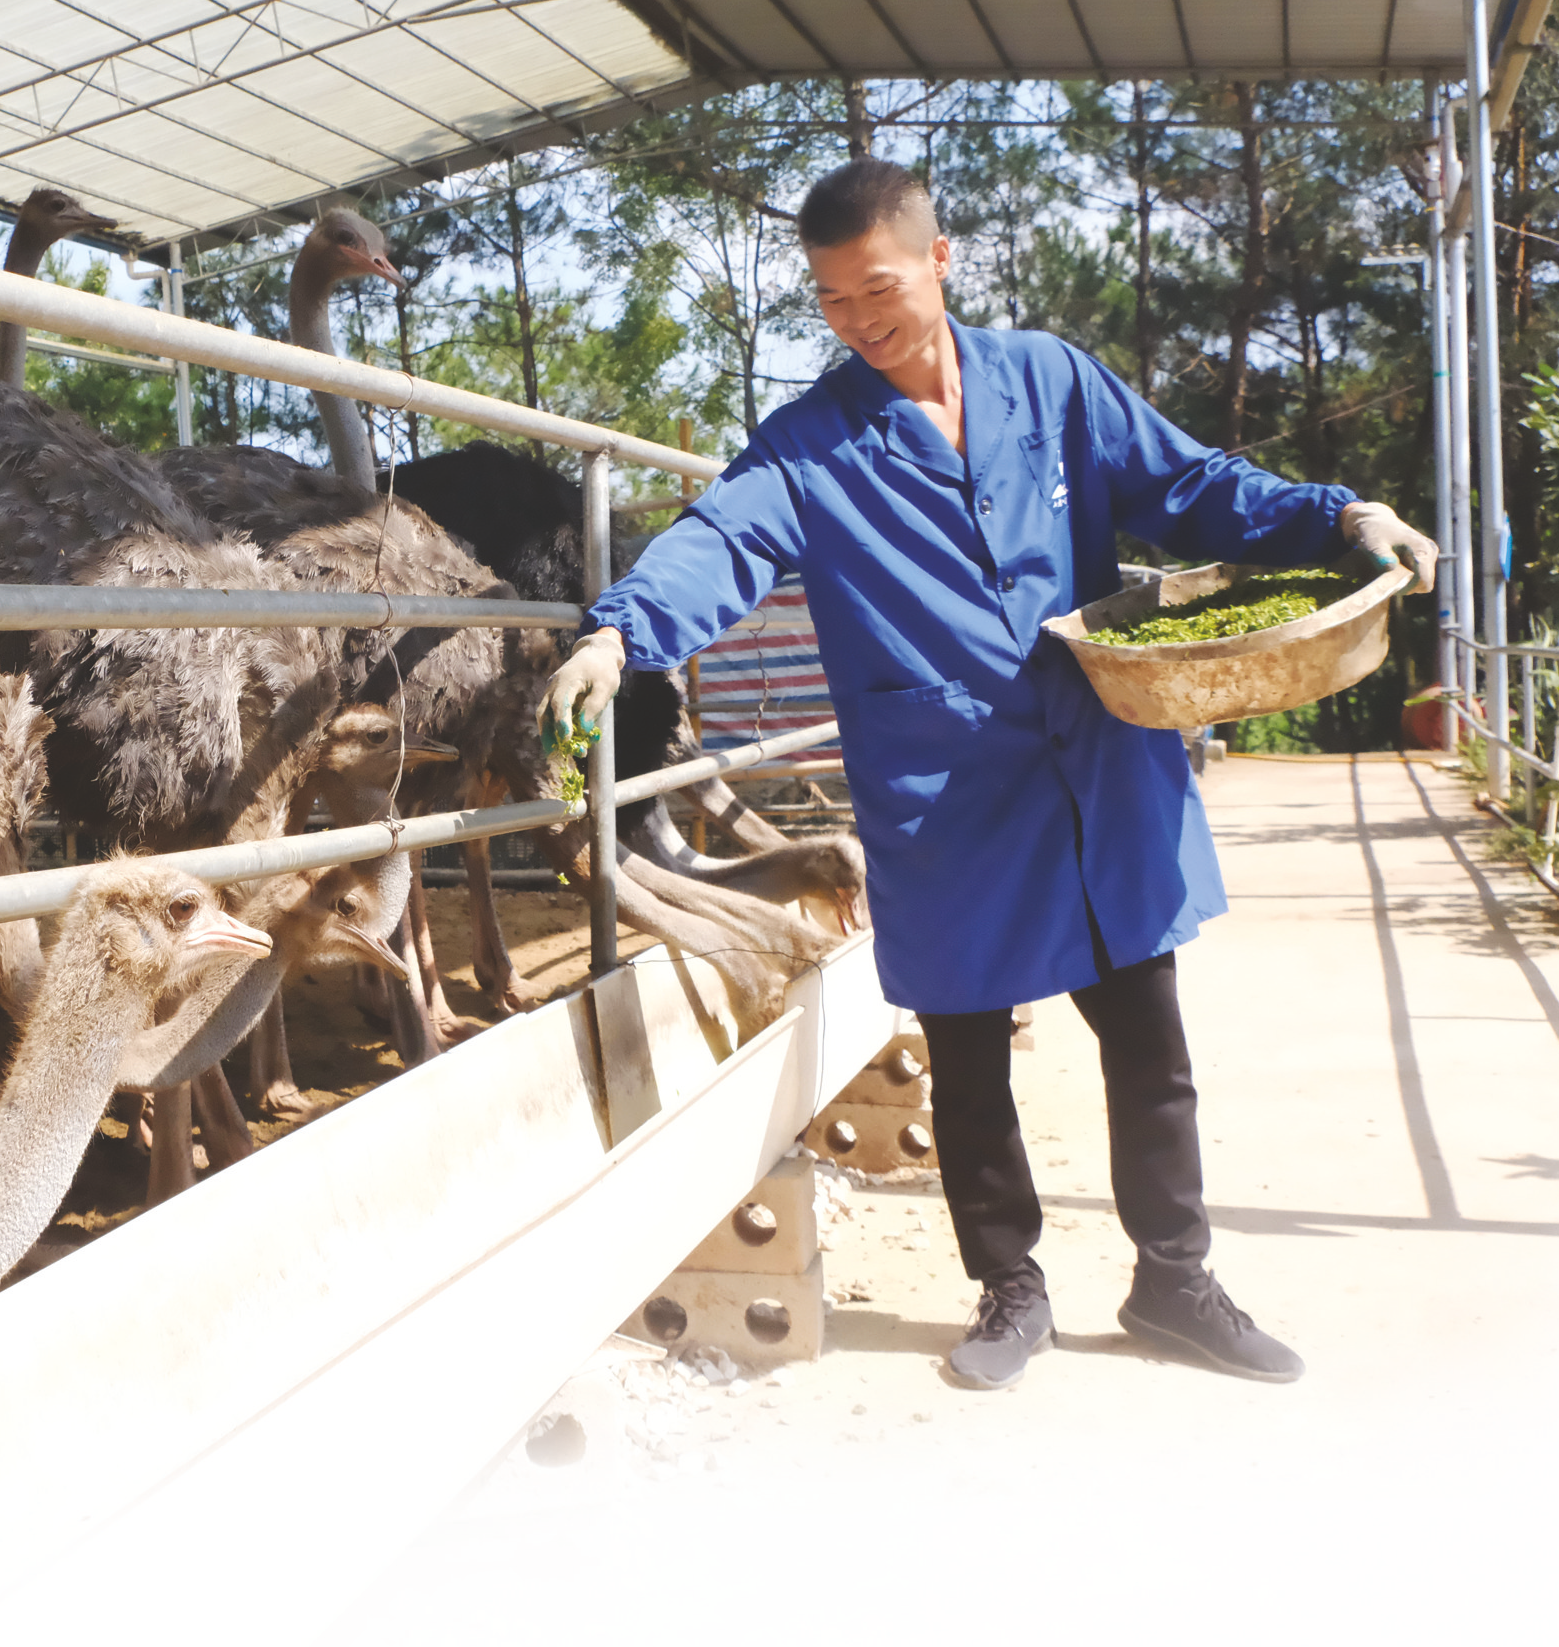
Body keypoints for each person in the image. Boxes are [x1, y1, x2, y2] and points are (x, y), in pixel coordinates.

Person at [545, 158, 1437, 1391]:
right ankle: (1010, 1289)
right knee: (969, 1062)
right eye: (833, 300)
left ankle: (1173, 1281)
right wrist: (622, 631)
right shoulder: (812, 443)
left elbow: (1186, 484)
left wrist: (1339, 518)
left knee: (1148, 1040)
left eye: (877, 288)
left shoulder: (1048, 379)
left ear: (938, 258)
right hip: (945, 785)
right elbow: (723, 536)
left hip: (1098, 760)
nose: (858, 320)